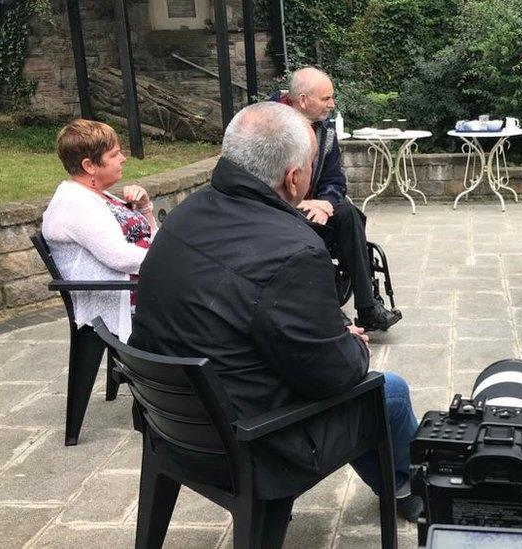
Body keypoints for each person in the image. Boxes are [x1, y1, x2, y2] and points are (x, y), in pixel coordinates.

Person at [128, 102, 422, 519]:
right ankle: (414, 485)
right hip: (249, 443)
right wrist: (350, 344)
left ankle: (398, 488)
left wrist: (328, 340)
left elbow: (238, 313)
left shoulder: (184, 215)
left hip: (170, 426)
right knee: (388, 391)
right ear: (294, 177)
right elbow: (335, 376)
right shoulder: (294, 249)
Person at [272, 66, 402, 332]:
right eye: (326, 99)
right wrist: (296, 204)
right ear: (303, 100)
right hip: (275, 214)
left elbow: (335, 180)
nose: (332, 104)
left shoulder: (326, 131)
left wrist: (327, 203)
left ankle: (367, 308)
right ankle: (328, 315)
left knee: (349, 214)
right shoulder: (268, 124)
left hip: (313, 210)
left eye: (332, 98)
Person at [41, 119, 156, 341]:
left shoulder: (98, 195)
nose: (123, 159)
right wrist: (177, 261)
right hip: (122, 297)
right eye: (114, 154)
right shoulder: (74, 203)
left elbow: (151, 239)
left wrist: (145, 209)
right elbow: (121, 257)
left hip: (144, 284)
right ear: (89, 165)